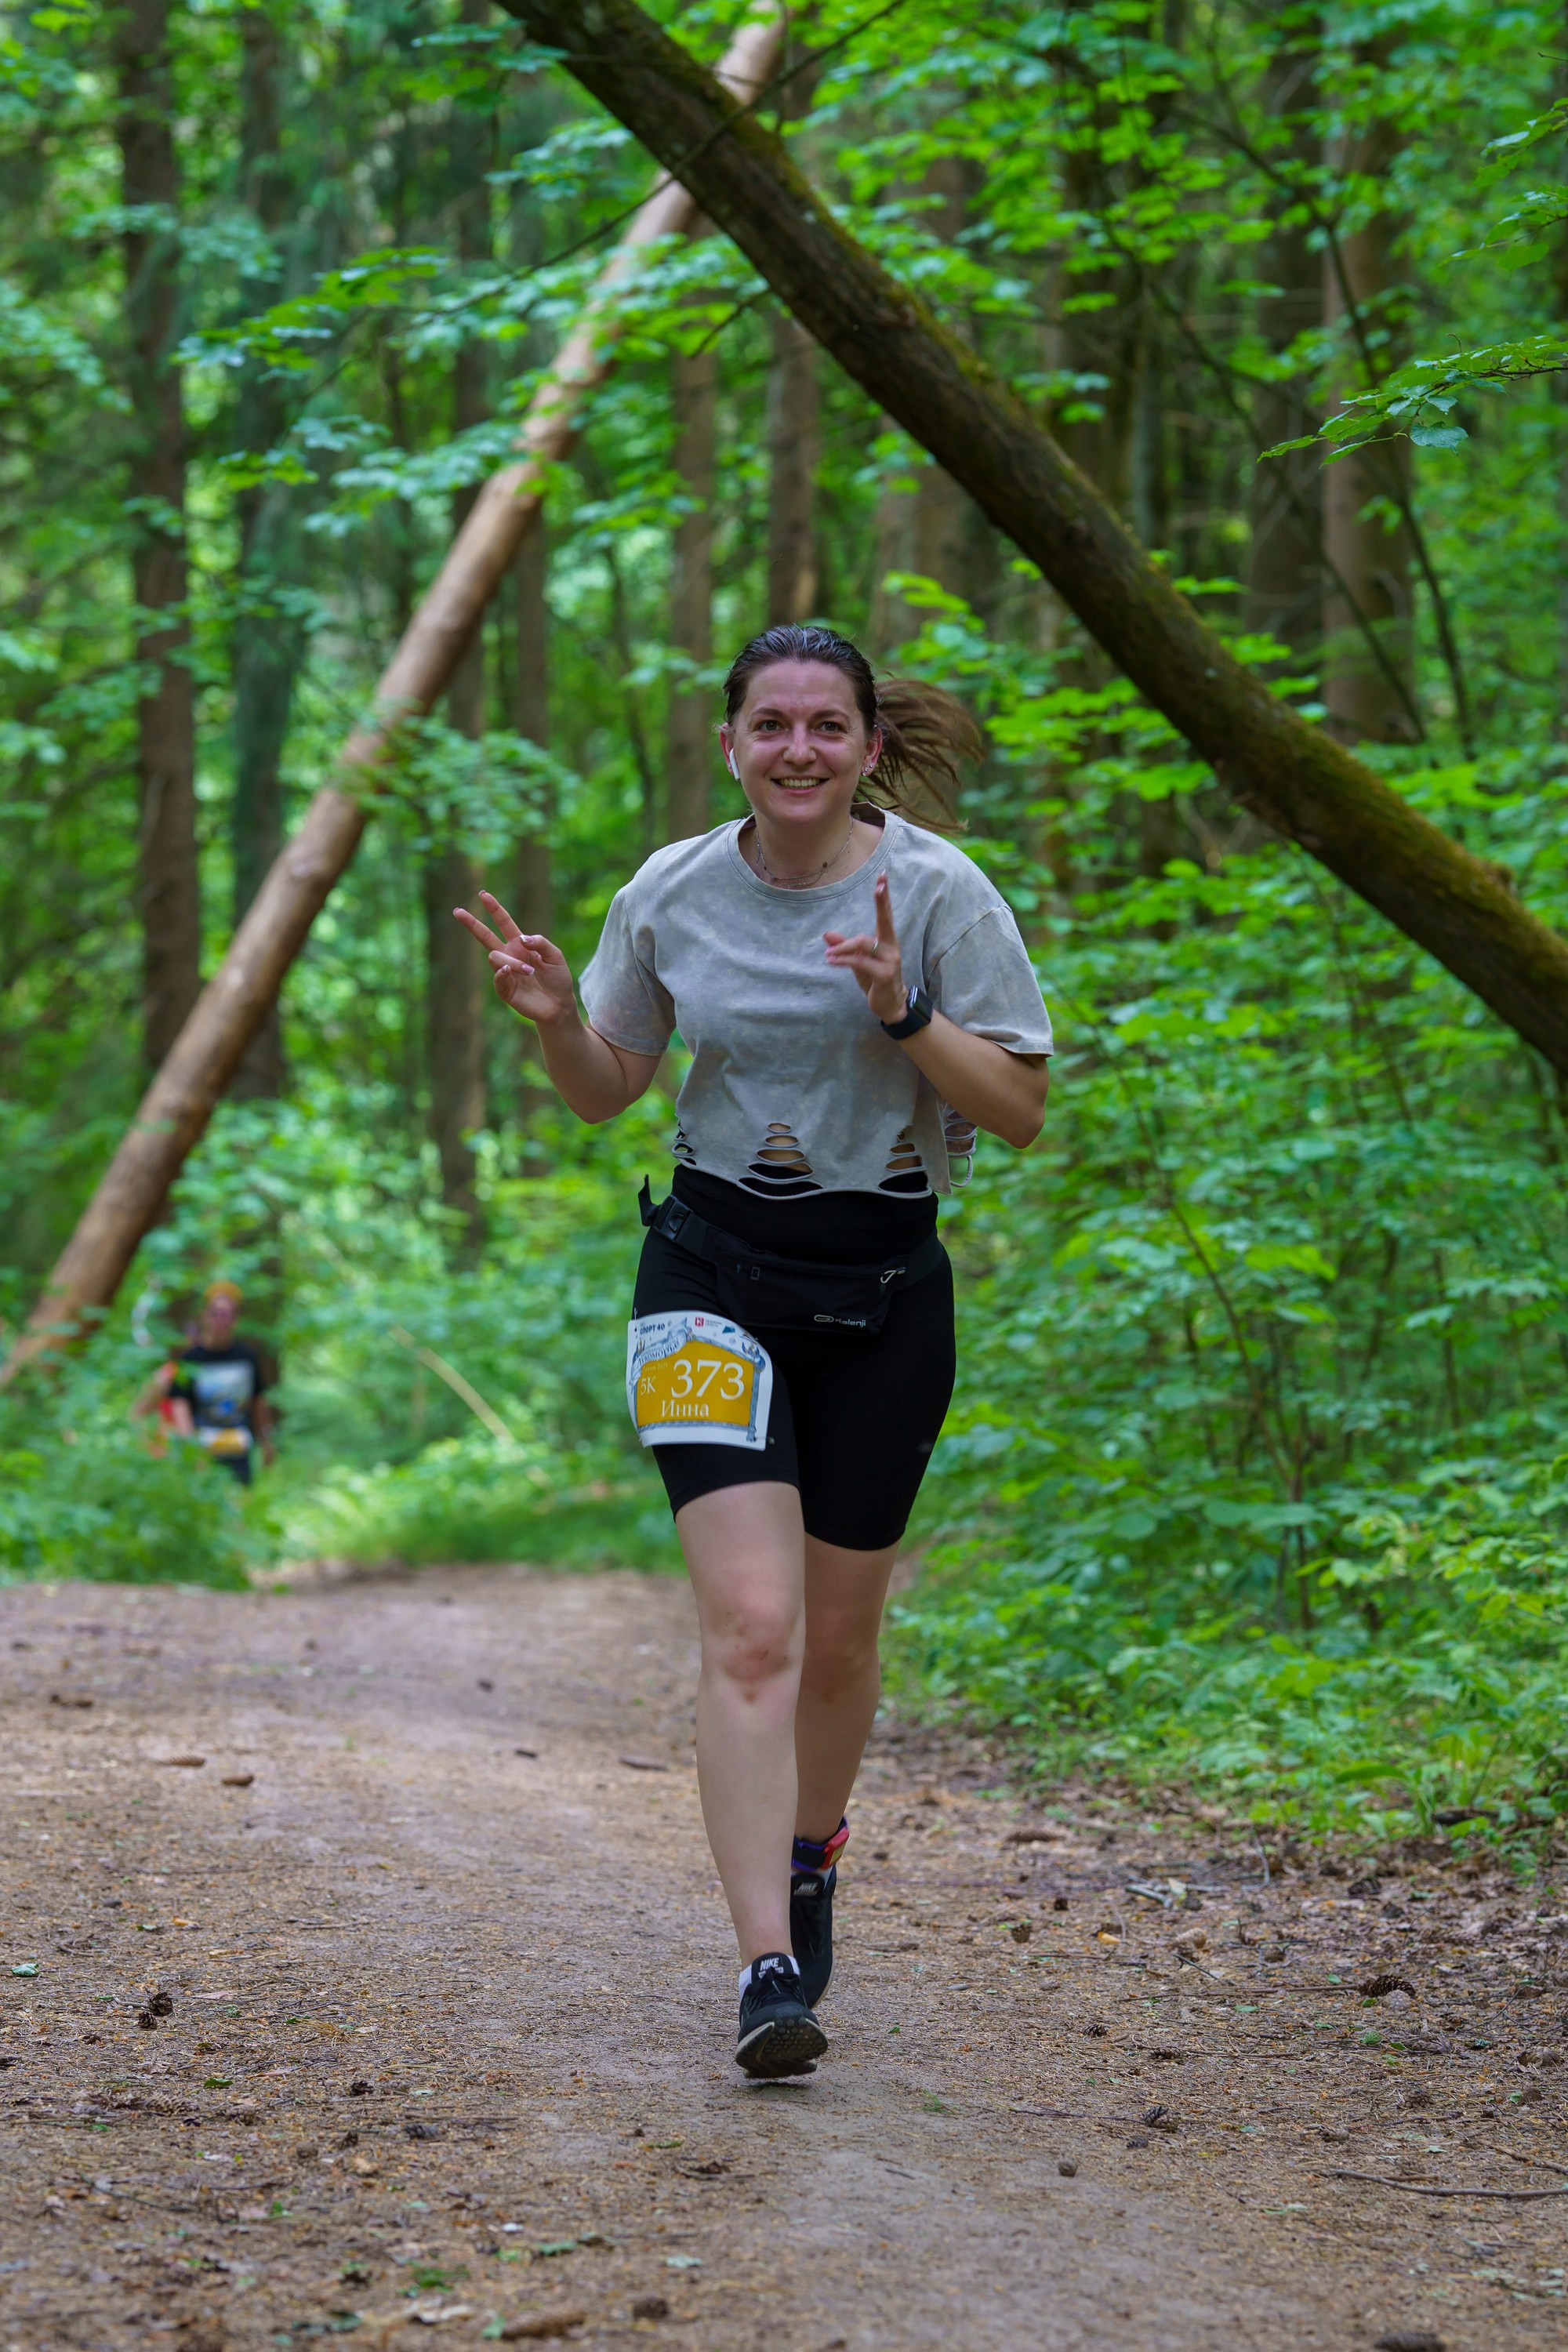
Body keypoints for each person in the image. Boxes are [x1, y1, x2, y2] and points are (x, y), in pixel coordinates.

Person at [454, 622, 1051, 2078]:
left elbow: (1021, 1109)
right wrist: (555, 1022)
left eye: (825, 726)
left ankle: (810, 1850)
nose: (798, 749)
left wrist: (904, 1011)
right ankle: (767, 1966)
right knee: (756, 1628)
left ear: (866, 746)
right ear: (730, 743)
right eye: (769, 725)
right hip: (706, 1280)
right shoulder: (669, 890)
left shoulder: (941, 891)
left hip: (886, 1295)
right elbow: (607, 1090)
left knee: (838, 1641)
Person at [165, 1281, 277, 1486]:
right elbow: (180, 1404)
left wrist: (267, 1441)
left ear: (236, 1318)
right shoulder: (191, 1360)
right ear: (204, 1316)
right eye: (216, 1314)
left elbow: (258, 1401)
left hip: (238, 1448)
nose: (222, 1321)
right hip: (203, 1449)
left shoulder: (247, 1357)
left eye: (229, 1315)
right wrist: (190, 1448)